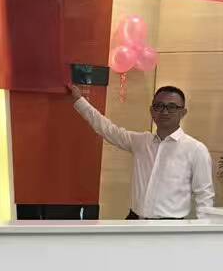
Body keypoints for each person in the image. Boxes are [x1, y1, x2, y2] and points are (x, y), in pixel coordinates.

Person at [68, 82, 214, 219]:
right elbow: (107, 129)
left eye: (172, 107)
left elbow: (204, 195)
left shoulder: (195, 149)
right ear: (151, 110)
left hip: (170, 227)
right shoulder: (141, 142)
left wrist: (204, 232)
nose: (164, 111)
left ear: (183, 112)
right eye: (159, 106)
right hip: (134, 220)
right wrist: (79, 100)